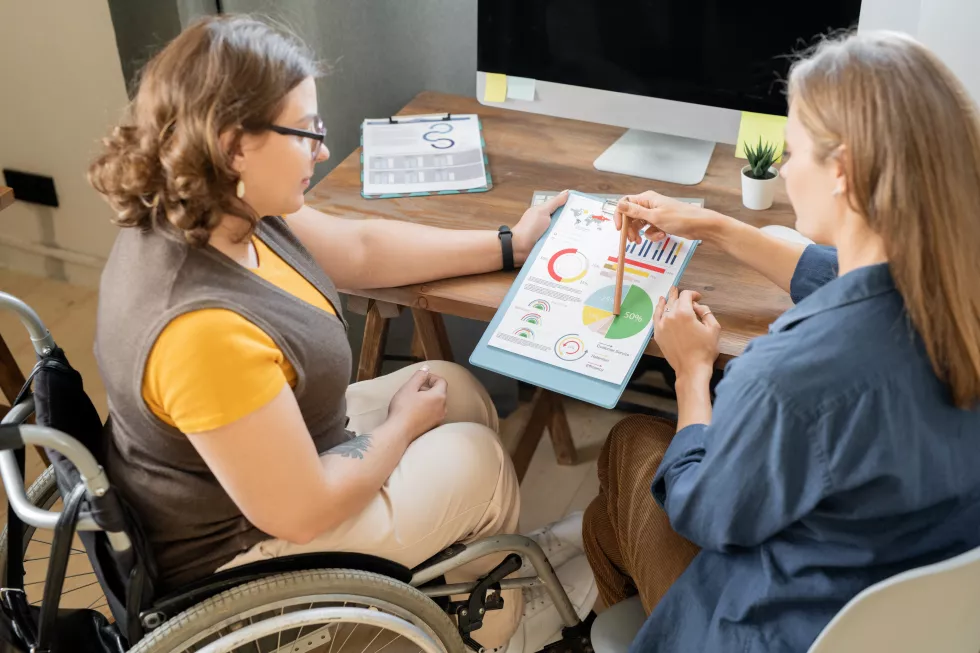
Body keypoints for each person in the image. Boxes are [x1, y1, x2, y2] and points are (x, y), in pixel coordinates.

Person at [88, 15, 595, 652]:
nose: (322, 149)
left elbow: (357, 246)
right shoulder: (200, 331)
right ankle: (505, 628)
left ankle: (492, 562)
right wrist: (400, 428)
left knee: (458, 391)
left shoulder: (214, 206)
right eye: (306, 132)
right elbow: (301, 511)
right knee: (481, 460)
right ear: (232, 144)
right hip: (247, 548)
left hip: (283, 455)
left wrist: (506, 245)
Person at [583, 30, 980, 653]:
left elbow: (706, 514)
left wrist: (691, 375)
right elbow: (849, 279)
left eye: (792, 152)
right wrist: (714, 224)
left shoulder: (786, 379)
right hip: (911, 613)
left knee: (633, 445)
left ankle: (614, 622)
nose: (786, 168)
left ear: (842, 171)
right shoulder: (959, 294)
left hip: (774, 625)